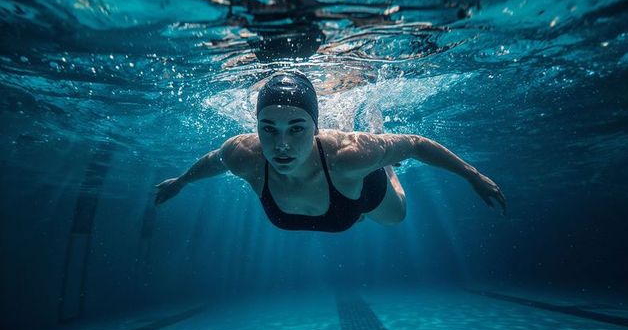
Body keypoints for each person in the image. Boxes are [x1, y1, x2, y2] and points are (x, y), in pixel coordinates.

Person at [155, 72, 506, 233]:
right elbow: (214, 161)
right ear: (256, 127)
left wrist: (472, 175)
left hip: (359, 189)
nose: (281, 146)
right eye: (268, 129)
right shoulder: (243, 155)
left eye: (297, 128)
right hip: (341, 198)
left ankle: (385, 160)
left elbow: (414, 144)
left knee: (397, 218)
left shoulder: (349, 155)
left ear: (316, 129)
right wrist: (182, 181)